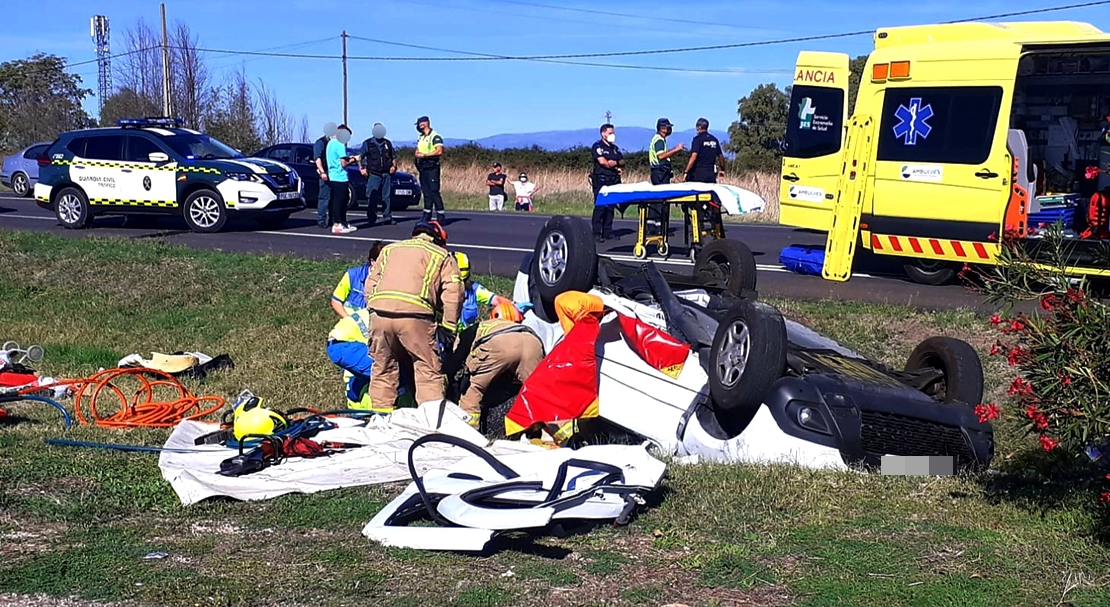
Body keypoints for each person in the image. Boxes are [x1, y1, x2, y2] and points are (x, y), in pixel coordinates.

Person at [365, 221, 463, 409]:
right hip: (416, 317)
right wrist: (449, 328)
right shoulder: (442, 255)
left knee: (383, 369)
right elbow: (454, 293)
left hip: (380, 316)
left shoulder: (389, 250)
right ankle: (429, 425)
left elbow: (370, 285)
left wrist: (374, 310)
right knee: (426, 369)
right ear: (439, 240)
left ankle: (381, 420)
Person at [454, 302, 544, 427]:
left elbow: (457, 357)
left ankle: (466, 433)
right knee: (540, 394)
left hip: (498, 343)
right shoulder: (523, 329)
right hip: (533, 343)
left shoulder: (482, 326)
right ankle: (550, 433)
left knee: (473, 388)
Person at [453, 251, 511, 332]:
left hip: (466, 339)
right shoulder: (437, 290)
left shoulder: (474, 289)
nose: (459, 286)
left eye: (463, 282)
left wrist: (513, 305)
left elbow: (496, 300)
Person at [647, 117, 685, 234]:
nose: (669, 130)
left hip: (659, 172)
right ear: (662, 129)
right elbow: (661, 156)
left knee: (657, 199)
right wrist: (676, 149)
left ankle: (654, 226)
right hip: (659, 172)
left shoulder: (660, 140)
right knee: (660, 200)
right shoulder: (659, 140)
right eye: (668, 128)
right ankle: (658, 227)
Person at [332, 241, 386, 318]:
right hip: (351, 325)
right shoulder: (352, 275)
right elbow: (336, 301)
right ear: (372, 262)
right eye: (383, 263)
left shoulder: (389, 280)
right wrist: (349, 320)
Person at [590, 123, 624, 243]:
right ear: (603, 133)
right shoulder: (598, 146)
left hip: (613, 180)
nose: (612, 135)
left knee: (611, 207)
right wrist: (614, 163)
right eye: (610, 133)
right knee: (600, 207)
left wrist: (615, 164)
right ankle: (596, 233)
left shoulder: (614, 148)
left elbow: (622, 161)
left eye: (613, 133)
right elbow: (604, 162)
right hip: (601, 180)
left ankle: (607, 232)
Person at [359, 122, 397, 226]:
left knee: (387, 197)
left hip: (386, 174)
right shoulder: (367, 143)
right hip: (374, 174)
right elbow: (359, 157)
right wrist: (361, 168)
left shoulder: (387, 143)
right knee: (372, 196)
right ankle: (371, 218)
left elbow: (393, 157)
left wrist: (394, 167)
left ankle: (387, 217)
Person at [414, 116, 446, 223]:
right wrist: (418, 155)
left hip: (432, 167)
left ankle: (440, 216)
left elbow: (439, 151)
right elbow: (417, 150)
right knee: (426, 192)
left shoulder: (435, 136)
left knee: (434, 191)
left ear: (425, 123)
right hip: (423, 167)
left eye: (419, 124)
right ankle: (426, 215)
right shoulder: (421, 137)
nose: (418, 126)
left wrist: (425, 155)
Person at [327, 124, 357, 234]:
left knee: (342, 200)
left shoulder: (330, 143)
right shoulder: (339, 144)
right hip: (339, 177)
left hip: (333, 175)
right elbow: (343, 163)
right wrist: (353, 160)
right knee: (339, 201)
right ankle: (336, 224)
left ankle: (343, 222)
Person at [683, 117, 723, 184]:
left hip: (698, 174)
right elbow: (721, 156)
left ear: (699, 127)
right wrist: (722, 169)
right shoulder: (714, 140)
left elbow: (694, 156)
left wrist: (686, 171)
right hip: (711, 174)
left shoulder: (697, 139)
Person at [314, 122, 338, 229]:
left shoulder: (335, 143)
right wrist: (322, 172)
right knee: (324, 197)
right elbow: (317, 158)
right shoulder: (320, 143)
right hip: (326, 172)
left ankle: (332, 219)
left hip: (335, 173)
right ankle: (321, 219)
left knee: (334, 198)